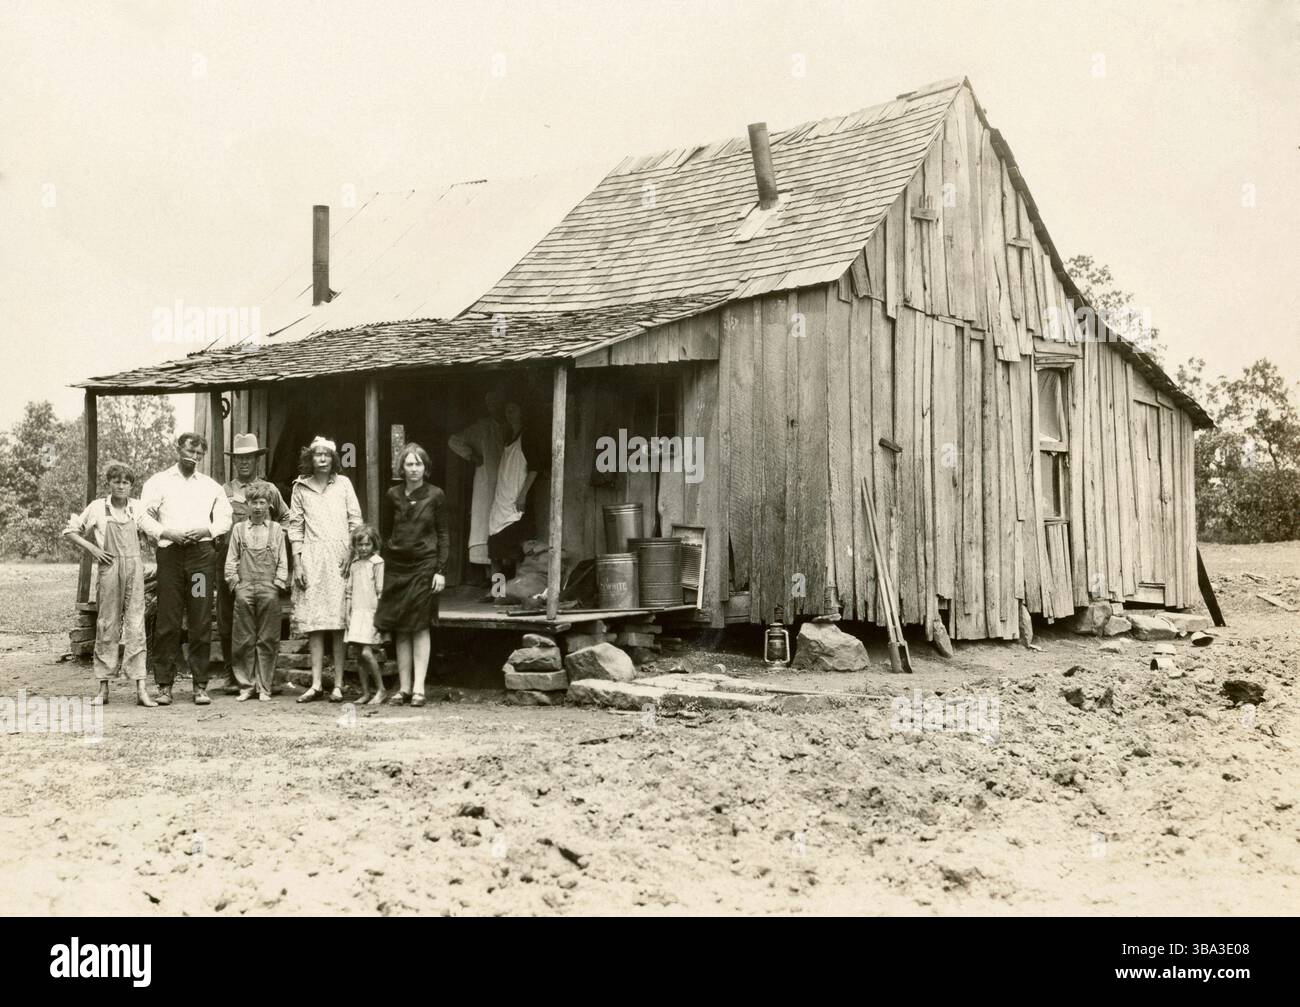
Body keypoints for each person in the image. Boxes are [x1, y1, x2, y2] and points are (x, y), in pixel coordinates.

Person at [140, 433, 233, 706]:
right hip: (170, 556)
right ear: (178, 448)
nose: (193, 455)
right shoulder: (159, 482)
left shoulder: (210, 486)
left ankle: (200, 685)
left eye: (198, 451)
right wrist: (165, 531)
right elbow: (143, 515)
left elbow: (225, 517)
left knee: (200, 617)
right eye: (189, 448)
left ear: (202, 455)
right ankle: (164, 686)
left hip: (200, 558)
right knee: (168, 618)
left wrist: (209, 529)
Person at [63, 461, 161, 707]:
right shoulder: (97, 508)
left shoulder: (136, 508)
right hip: (109, 569)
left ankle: (140, 688)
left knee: (136, 626)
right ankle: (103, 688)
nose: (120, 486)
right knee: (107, 625)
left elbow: (152, 530)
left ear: (130, 485)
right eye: (116, 481)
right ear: (109, 483)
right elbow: (70, 531)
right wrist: (93, 548)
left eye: (125, 482)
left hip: (134, 570)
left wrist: (166, 535)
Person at [373, 442, 449, 707]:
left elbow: (443, 533)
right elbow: (384, 531)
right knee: (400, 627)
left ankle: (419, 689)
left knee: (419, 625)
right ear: (402, 468)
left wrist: (440, 570)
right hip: (397, 567)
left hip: (424, 565)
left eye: (418, 464)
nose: (414, 469)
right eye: (409, 464)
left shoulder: (436, 495)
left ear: (425, 467)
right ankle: (403, 689)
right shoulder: (392, 495)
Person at [287, 436, 362, 703]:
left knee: (337, 624)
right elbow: (295, 526)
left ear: (333, 459)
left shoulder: (343, 484)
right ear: (311, 458)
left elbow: (356, 521)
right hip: (312, 557)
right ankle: (317, 683)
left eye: (327, 455)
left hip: (339, 558)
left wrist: (349, 552)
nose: (322, 459)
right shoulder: (300, 487)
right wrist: (297, 562)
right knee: (316, 624)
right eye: (317, 455)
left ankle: (339, 684)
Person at [216, 433, 287, 693]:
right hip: (229, 559)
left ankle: (264, 679)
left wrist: (276, 539)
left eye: (249, 458)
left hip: (262, 563)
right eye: (239, 459)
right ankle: (232, 675)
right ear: (234, 462)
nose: (244, 463)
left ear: (257, 459)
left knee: (265, 622)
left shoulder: (268, 490)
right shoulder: (224, 490)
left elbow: (287, 518)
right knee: (227, 619)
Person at [448, 389, 506, 575]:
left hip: (508, 482)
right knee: (485, 525)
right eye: (490, 404)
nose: (494, 407)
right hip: (486, 482)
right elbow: (454, 440)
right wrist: (473, 456)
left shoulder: (510, 426)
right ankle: (493, 582)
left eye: (498, 403)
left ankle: (502, 584)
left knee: (504, 528)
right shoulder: (482, 427)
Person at [487, 402, 539, 580]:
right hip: (501, 497)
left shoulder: (528, 437)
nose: (509, 414)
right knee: (495, 552)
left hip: (516, 499)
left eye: (513, 409)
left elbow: (534, 468)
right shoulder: (508, 436)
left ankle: (514, 594)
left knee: (515, 553)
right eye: (506, 410)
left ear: (522, 412)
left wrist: (523, 494)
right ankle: (498, 593)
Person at [345, 524, 387, 706]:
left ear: (374, 544)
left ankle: (381, 689)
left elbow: (381, 591)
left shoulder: (377, 563)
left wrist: (379, 616)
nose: (363, 548)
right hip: (356, 612)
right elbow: (349, 591)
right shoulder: (354, 564)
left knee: (367, 652)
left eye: (367, 545)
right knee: (358, 654)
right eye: (360, 545)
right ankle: (365, 692)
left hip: (371, 613)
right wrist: (347, 612)